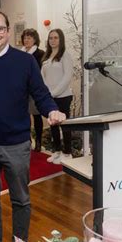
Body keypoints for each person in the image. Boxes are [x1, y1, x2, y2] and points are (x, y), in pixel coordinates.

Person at [0, 10, 66, 242]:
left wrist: (51, 110)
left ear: (9, 32)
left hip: (18, 145)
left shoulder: (25, 61)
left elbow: (40, 94)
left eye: (0, 28)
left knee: (21, 199)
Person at [41, 29, 74, 164]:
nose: (53, 40)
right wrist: (46, 93)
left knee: (64, 125)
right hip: (50, 97)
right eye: (50, 38)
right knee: (53, 125)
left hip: (63, 96)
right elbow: (42, 76)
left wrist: (53, 92)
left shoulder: (65, 55)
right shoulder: (47, 56)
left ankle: (67, 153)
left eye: (55, 38)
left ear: (61, 39)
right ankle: (57, 151)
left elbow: (67, 77)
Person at [21, 28, 45, 152]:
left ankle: (39, 141)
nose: (26, 40)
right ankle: (28, 140)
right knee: (24, 116)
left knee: (36, 116)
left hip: (34, 90)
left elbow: (41, 73)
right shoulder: (19, 54)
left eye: (29, 38)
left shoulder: (41, 54)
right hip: (21, 91)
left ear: (35, 39)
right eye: (25, 38)